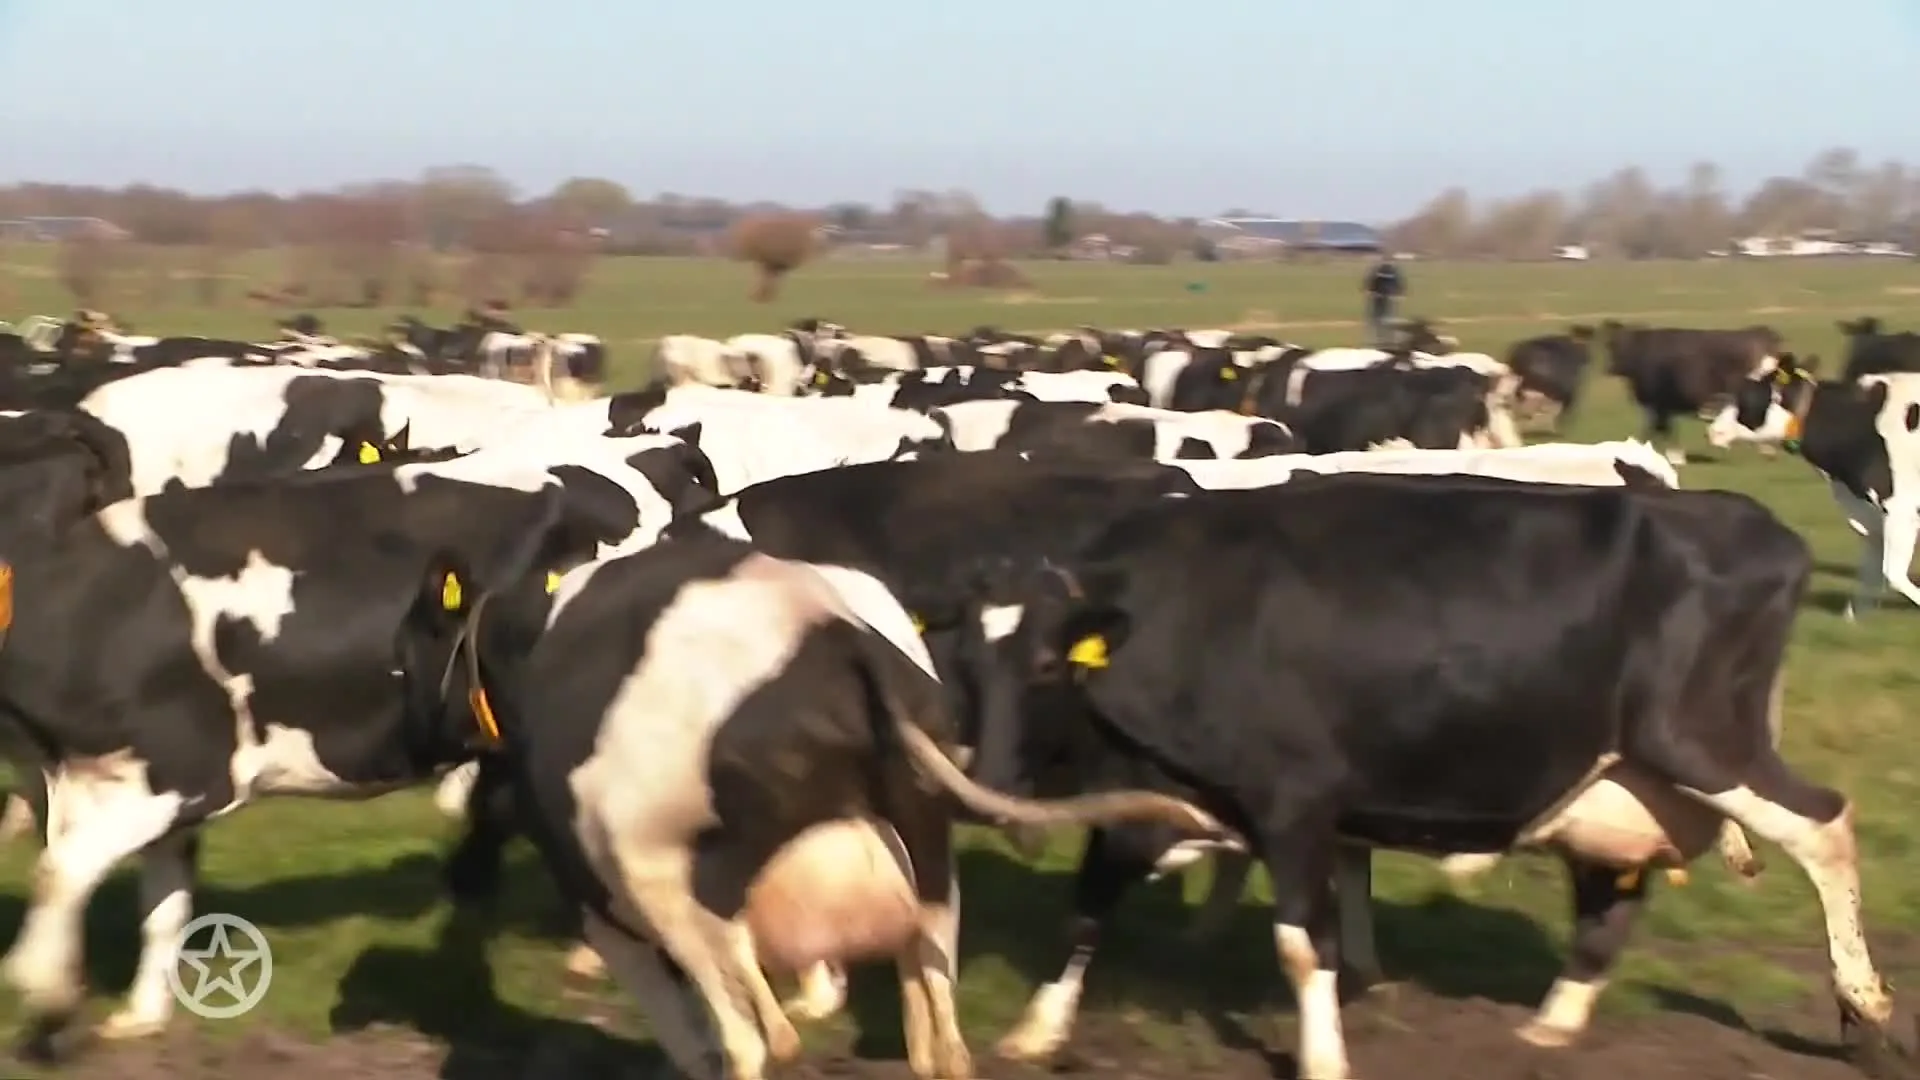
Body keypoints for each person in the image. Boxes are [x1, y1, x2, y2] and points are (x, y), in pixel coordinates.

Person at [1362, 254, 1404, 345]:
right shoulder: (1380, 270)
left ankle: (1386, 332)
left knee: (1386, 314)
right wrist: (1369, 290)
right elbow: (1371, 281)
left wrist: (1399, 293)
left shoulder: (1392, 271)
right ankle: (1378, 330)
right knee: (1378, 315)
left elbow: (1398, 282)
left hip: (1386, 296)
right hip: (1378, 295)